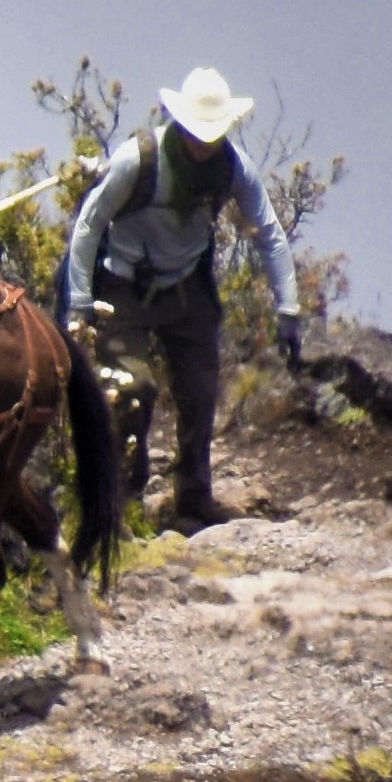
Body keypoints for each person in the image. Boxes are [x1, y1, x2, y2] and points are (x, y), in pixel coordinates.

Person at [60, 70, 303, 534]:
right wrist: (78, 303)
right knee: (133, 390)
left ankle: (192, 497)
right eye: (197, 133)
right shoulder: (137, 160)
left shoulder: (233, 168)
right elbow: (89, 226)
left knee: (200, 390)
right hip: (122, 289)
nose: (204, 143)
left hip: (186, 289)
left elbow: (268, 233)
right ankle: (122, 503)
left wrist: (288, 307)